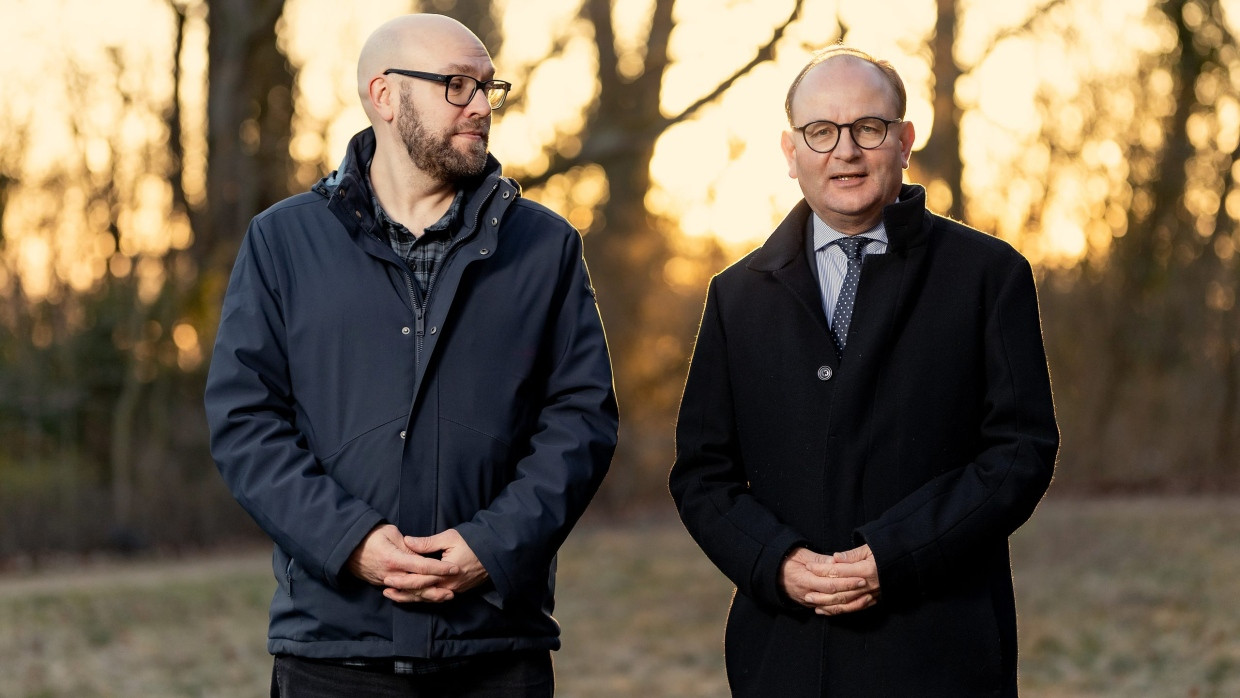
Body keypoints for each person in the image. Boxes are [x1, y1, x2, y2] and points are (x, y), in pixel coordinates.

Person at [204, 14, 618, 697]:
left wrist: (491, 547)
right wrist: (352, 543)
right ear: (384, 96)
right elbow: (246, 424)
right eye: (457, 85)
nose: (482, 106)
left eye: (489, 87)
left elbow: (582, 420)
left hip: (495, 651)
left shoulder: (544, 247)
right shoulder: (281, 242)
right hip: (332, 652)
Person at [669, 45, 1058, 697]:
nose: (844, 151)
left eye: (868, 128)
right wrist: (777, 562)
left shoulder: (987, 276)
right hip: (785, 657)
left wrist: (895, 554)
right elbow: (702, 476)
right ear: (791, 152)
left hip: (943, 653)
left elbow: (1020, 454)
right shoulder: (737, 297)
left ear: (904, 141)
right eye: (821, 131)